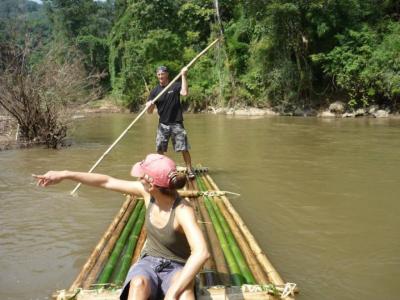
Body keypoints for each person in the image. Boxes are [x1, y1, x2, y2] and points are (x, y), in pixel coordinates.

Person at [33, 153, 210, 300]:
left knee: (184, 292)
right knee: (138, 284)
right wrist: (64, 174)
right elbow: (106, 181)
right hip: (149, 261)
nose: (138, 179)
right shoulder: (148, 194)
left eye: (141, 177)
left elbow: (201, 252)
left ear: (152, 185)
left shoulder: (182, 209)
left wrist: (172, 293)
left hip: (176, 265)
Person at [146, 66, 196, 179]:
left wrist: (183, 75)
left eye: (162, 74)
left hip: (176, 123)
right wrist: (149, 105)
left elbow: (184, 93)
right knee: (159, 149)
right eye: (158, 74)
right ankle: (161, 171)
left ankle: (189, 169)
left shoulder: (175, 85)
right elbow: (149, 112)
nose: (160, 77)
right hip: (163, 125)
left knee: (183, 148)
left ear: (167, 74)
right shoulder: (155, 91)